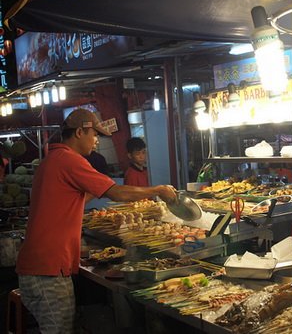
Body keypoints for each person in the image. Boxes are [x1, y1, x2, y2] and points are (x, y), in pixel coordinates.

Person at [16, 109, 177, 333]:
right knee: (58, 330)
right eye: (95, 135)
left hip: (41, 265)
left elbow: (73, 196)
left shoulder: (52, 159)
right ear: (80, 132)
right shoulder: (68, 160)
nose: (97, 142)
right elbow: (117, 194)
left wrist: (100, 186)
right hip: (47, 268)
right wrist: (158, 189)